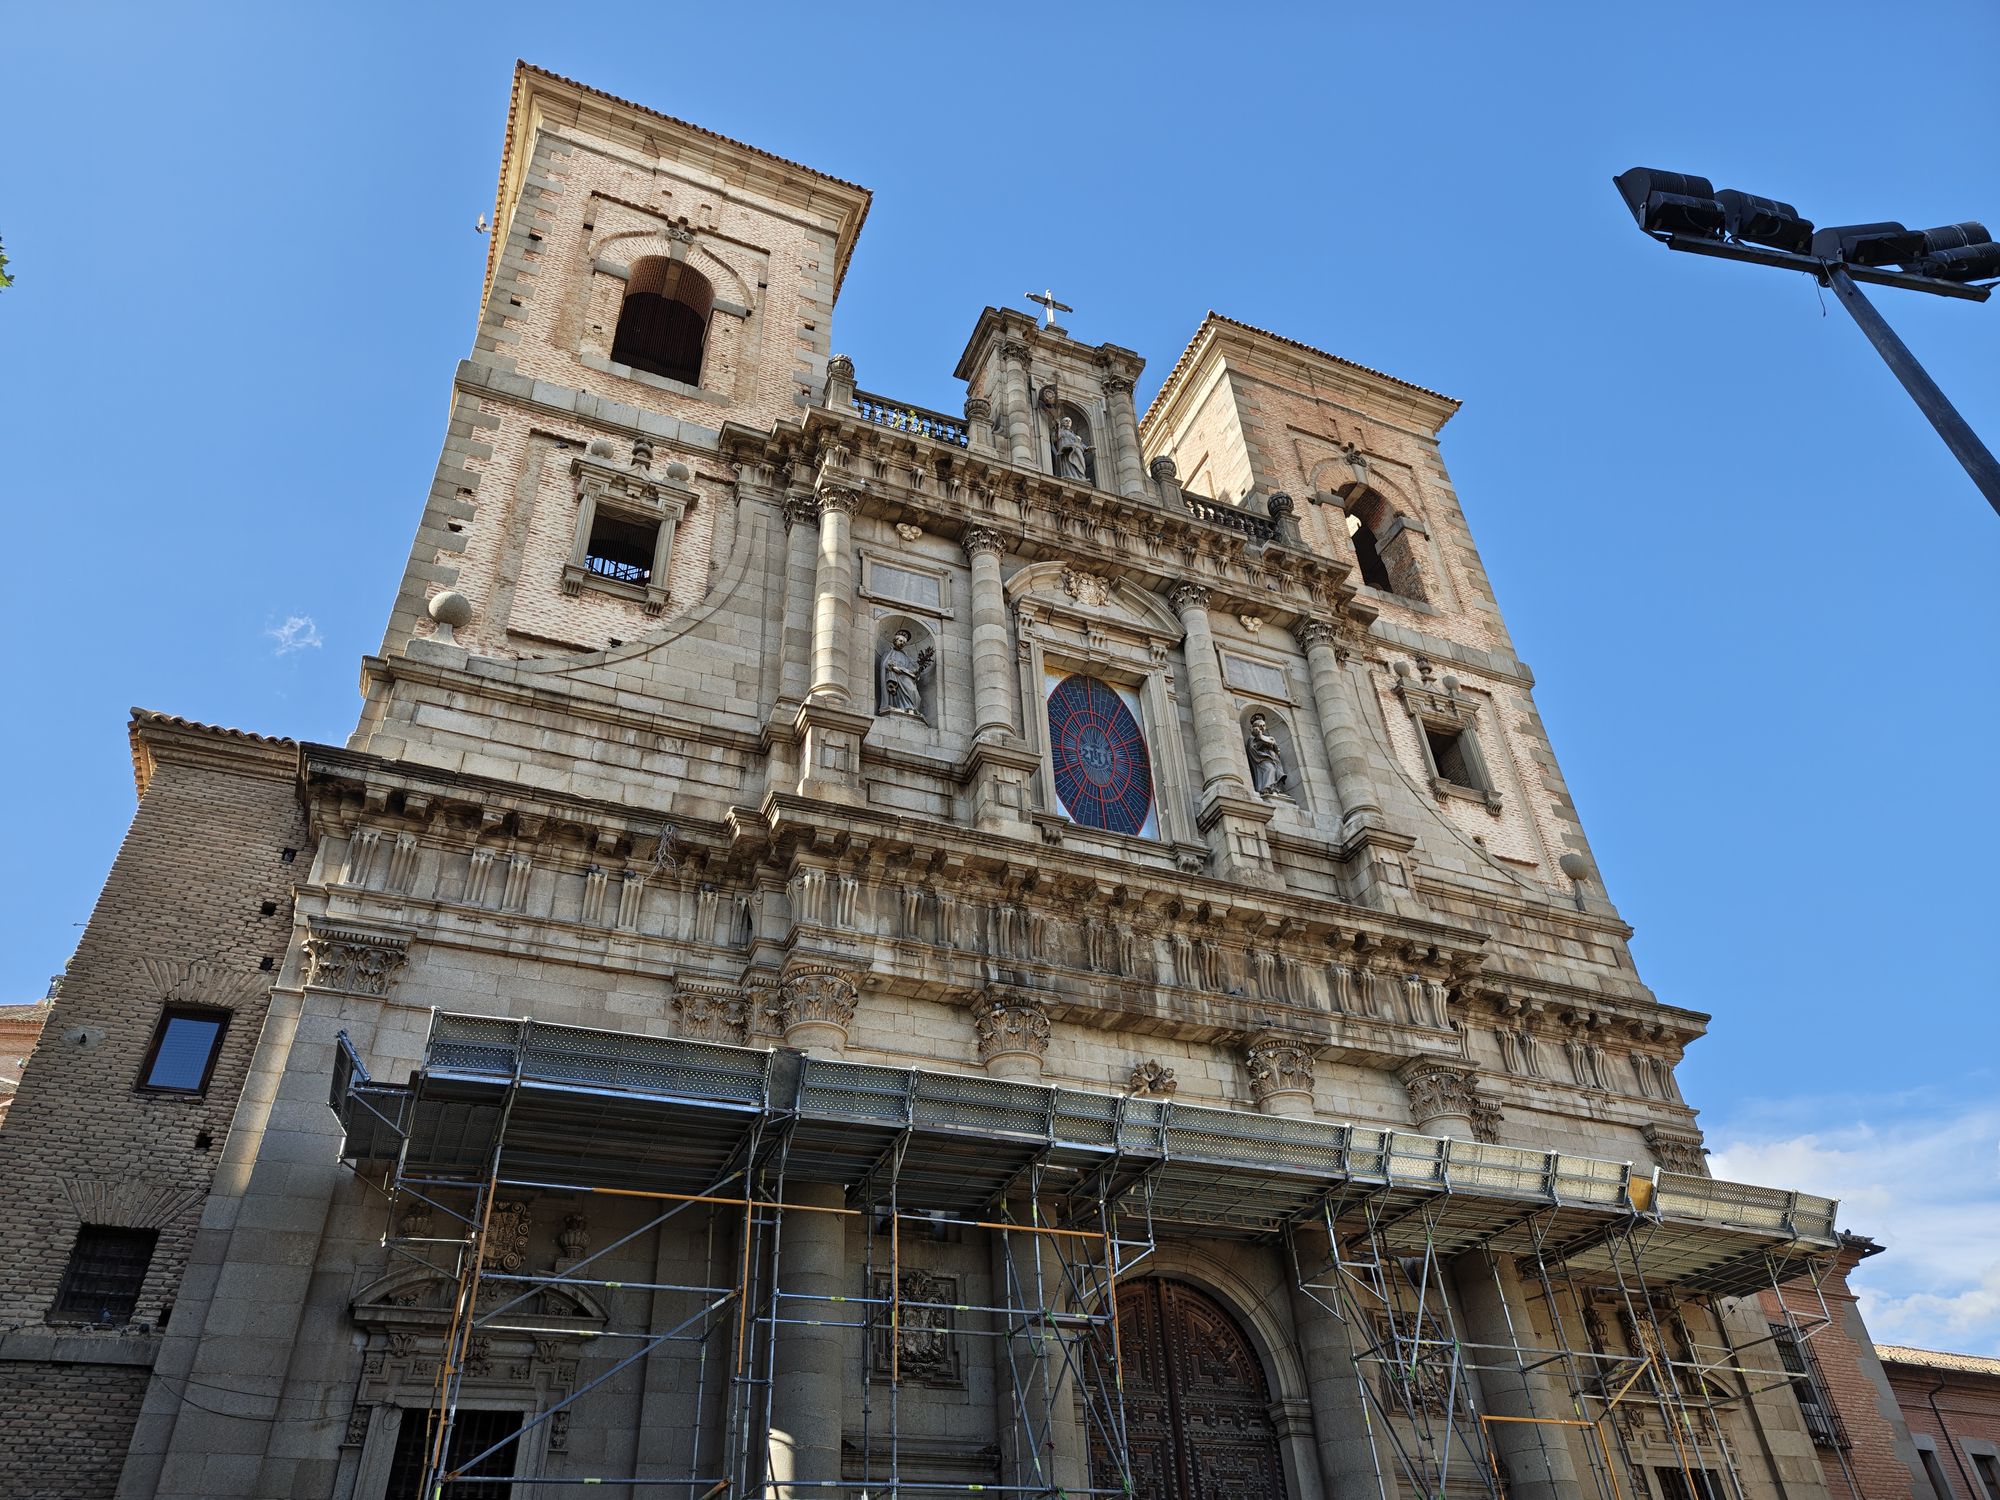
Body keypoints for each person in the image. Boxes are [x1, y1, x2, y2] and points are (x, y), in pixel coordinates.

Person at [877, 629, 934, 720]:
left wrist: (918, 669)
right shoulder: (888, 653)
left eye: (904, 642)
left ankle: (911, 707)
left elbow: (912, 669)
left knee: (913, 692)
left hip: (906, 676)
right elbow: (885, 664)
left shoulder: (906, 656)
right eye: (900, 641)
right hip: (895, 676)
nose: (902, 643)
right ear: (895, 641)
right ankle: (900, 706)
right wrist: (893, 668)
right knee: (903, 689)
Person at [1245, 713, 1290, 797]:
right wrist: (1260, 737)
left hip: (1273, 758)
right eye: (1260, 726)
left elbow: (1277, 750)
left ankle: (1276, 790)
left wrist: (1273, 746)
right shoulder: (1252, 738)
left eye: (1264, 725)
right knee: (1269, 769)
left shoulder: (1270, 737)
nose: (1262, 727)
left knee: (1275, 771)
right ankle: (1266, 788)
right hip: (1262, 758)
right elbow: (1252, 749)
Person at [1052, 416, 1089, 482]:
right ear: (1062, 423)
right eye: (1066, 421)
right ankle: (1069, 475)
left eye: (1069, 421)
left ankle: (1080, 476)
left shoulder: (1073, 434)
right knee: (1068, 463)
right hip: (1066, 451)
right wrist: (1057, 427)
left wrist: (1087, 448)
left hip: (1075, 450)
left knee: (1080, 460)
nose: (1068, 422)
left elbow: (1080, 443)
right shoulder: (1060, 431)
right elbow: (1055, 438)